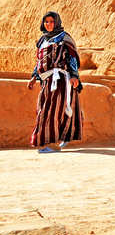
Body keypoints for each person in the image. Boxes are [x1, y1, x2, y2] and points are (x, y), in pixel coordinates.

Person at [27, 11, 83, 153]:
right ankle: (61, 138)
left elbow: (72, 58)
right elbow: (40, 62)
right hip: (46, 81)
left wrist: (74, 75)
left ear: (57, 22)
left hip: (60, 80)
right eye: (46, 22)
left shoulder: (64, 38)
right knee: (44, 109)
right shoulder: (42, 40)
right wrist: (34, 77)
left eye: (52, 22)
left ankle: (51, 143)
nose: (49, 24)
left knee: (52, 111)